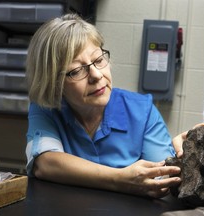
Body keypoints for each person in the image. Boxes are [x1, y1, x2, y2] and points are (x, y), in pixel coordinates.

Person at [25, 13, 188, 198]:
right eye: (77, 70)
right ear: (53, 83)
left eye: (99, 60)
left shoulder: (143, 110)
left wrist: (185, 157)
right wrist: (120, 179)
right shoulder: (45, 109)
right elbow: (45, 163)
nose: (96, 75)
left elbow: (162, 180)